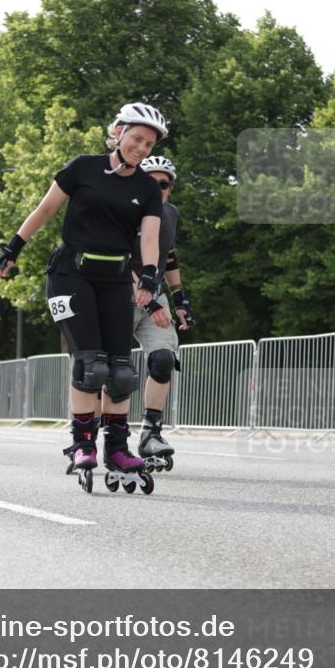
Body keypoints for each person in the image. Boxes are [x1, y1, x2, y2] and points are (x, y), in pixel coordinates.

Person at [0, 102, 167, 494]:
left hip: (115, 279)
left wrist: (150, 275)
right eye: (136, 138)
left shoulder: (148, 189)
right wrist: (11, 250)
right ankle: (82, 443)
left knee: (120, 370)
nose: (141, 147)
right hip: (71, 274)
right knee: (90, 365)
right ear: (118, 132)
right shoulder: (83, 168)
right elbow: (46, 209)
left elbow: (150, 237)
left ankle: (117, 449)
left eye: (149, 143)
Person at [130, 155, 195, 471]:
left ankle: (150, 434)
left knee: (164, 359)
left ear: (171, 188)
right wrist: (150, 303)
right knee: (108, 371)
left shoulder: (171, 214)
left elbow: (169, 256)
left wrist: (180, 299)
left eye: (164, 184)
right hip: (118, 295)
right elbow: (120, 261)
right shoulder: (124, 210)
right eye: (150, 184)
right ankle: (92, 433)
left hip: (154, 297)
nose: (158, 190)